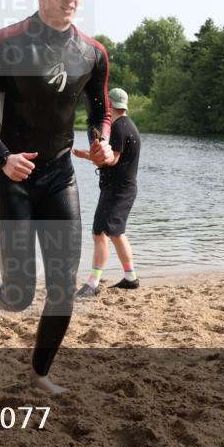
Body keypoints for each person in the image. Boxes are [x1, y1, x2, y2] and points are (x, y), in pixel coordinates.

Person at [0, 0, 112, 395]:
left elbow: (100, 110)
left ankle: (39, 374)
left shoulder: (92, 52)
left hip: (60, 176)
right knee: (20, 293)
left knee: (63, 288)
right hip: (13, 178)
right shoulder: (6, 42)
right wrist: (2, 157)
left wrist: (102, 139)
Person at [75, 88, 141, 297]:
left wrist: (88, 155)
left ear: (110, 105)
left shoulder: (119, 128)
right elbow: (109, 157)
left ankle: (93, 283)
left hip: (117, 191)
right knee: (115, 233)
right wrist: (86, 154)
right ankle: (130, 278)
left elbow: (112, 159)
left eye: (105, 105)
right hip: (123, 189)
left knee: (100, 233)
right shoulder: (127, 125)